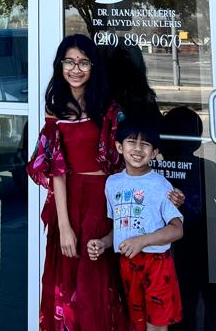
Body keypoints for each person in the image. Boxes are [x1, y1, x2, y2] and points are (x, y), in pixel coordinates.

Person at [28, 35, 124, 331]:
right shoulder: (55, 109)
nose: (76, 69)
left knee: (96, 282)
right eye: (69, 62)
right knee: (66, 281)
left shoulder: (108, 108)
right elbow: (56, 169)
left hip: (101, 200)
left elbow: (126, 158)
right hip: (67, 201)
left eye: (83, 62)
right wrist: (65, 227)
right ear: (60, 65)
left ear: (93, 67)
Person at [89, 118, 184, 331]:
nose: (138, 149)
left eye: (146, 144)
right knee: (136, 322)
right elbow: (120, 228)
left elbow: (177, 228)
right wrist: (102, 244)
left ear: (154, 152)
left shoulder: (160, 185)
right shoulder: (112, 184)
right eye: (132, 142)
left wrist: (142, 241)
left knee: (156, 324)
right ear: (119, 147)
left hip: (157, 264)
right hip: (128, 263)